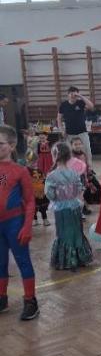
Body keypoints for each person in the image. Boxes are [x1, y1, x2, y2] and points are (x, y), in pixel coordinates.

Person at [0, 124, 39, 320]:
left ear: (12, 145)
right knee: (0, 263)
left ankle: (30, 301)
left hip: (14, 223)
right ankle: (2, 298)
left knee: (23, 261)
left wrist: (27, 226)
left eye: (0, 144)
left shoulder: (20, 170)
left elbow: (30, 200)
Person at [45, 142, 92, 270]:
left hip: (61, 209)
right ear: (68, 156)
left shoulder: (52, 176)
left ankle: (67, 259)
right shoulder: (74, 173)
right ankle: (79, 257)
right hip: (74, 206)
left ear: (55, 156)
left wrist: (58, 197)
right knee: (76, 231)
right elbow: (80, 188)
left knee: (63, 232)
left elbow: (49, 193)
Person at [57, 86, 94, 166]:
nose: (72, 95)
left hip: (82, 132)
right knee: (69, 152)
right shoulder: (63, 105)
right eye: (71, 93)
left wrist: (80, 96)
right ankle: (71, 169)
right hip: (69, 133)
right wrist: (62, 130)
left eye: (74, 94)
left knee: (87, 151)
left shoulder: (80, 103)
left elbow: (91, 106)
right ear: (68, 94)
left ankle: (89, 169)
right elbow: (59, 119)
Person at [28, 158, 50, 227]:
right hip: (32, 193)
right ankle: (35, 220)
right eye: (31, 162)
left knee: (43, 207)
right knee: (33, 207)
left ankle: (45, 219)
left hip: (41, 192)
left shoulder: (39, 170)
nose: (33, 163)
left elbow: (44, 179)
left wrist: (44, 188)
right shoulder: (26, 170)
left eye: (34, 162)